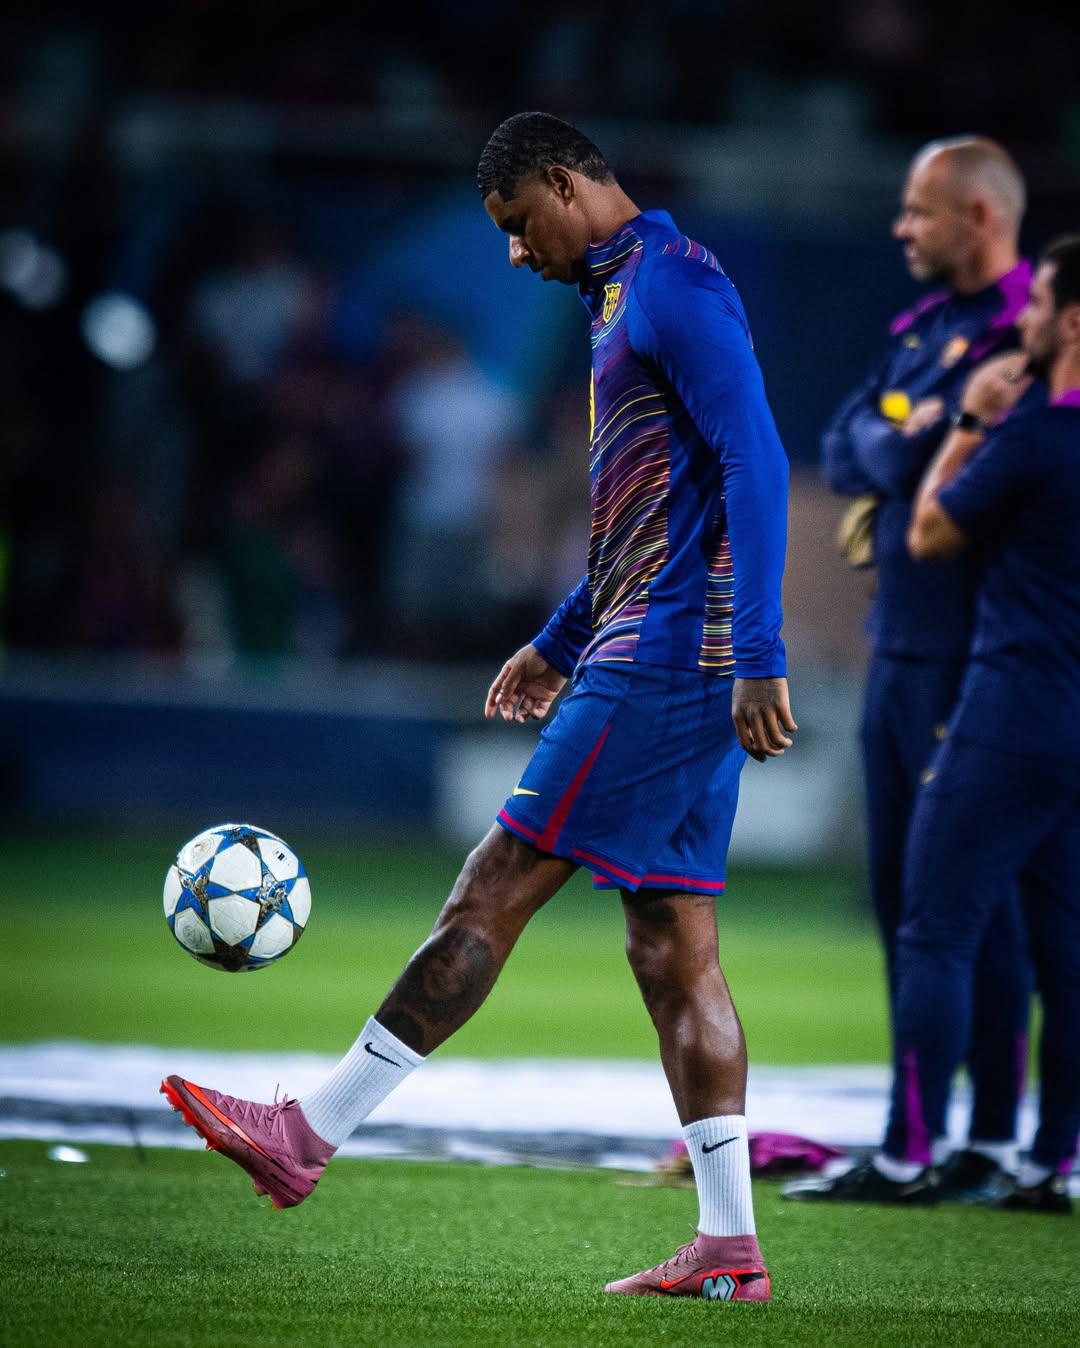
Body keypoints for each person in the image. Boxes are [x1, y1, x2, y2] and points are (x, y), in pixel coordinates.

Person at [161, 112, 794, 1301]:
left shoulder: (673, 286)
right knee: (674, 947)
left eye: (515, 225)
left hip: (668, 656)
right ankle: (728, 1244)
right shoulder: (626, 292)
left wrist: (757, 648)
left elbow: (756, 459)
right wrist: (560, 636)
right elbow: (649, 509)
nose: (513, 252)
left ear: (562, 182)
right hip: (663, 644)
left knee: (493, 883)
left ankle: (308, 1133)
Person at [791, 236, 1080, 1212]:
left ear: (1072, 320)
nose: (1023, 316)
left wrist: (966, 420)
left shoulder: (1031, 434)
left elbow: (926, 527)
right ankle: (1045, 1162)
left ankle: (909, 1155)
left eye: (1040, 302)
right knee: (1066, 950)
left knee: (936, 930)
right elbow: (856, 438)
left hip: (1007, 708)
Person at [821, 137, 1036, 1199]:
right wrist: (895, 438)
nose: (901, 227)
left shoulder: (1028, 330)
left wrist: (896, 438)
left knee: (965, 914)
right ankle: (947, 1136)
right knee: (906, 906)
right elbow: (846, 445)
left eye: (919, 211)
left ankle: (974, 1139)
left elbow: (899, 453)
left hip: (972, 656)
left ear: (979, 217)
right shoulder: (925, 328)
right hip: (899, 652)